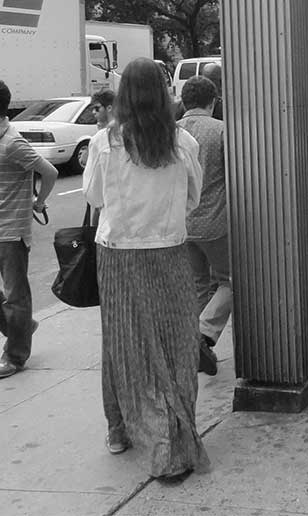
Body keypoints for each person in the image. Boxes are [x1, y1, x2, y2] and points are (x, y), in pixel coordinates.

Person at [82, 58, 208, 483]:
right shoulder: (184, 143)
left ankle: (121, 431)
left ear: (122, 97)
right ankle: (177, 430)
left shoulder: (105, 142)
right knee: (176, 344)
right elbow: (193, 199)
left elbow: (94, 196)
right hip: (170, 251)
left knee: (123, 345)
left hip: (118, 255)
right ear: (162, 93)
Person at [0, 80, 58, 379]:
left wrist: (39, 202)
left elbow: (49, 171)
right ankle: (20, 327)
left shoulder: (12, 143)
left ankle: (16, 355)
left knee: (15, 295)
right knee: (12, 299)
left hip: (10, 231)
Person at [177, 75, 231, 376]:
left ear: (184, 101)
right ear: (214, 101)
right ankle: (204, 333)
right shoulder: (221, 131)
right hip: (215, 223)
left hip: (182, 224)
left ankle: (196, 347)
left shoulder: (171, 132)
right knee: (231, 280)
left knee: (199, 284)